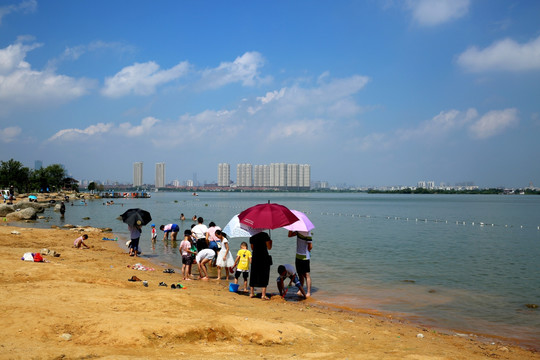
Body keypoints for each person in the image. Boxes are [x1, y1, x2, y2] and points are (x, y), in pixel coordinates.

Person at [288, 230, 313, 297]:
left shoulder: (308, 233)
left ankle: (308, 292)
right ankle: (300, 290)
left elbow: (310, 246)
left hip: (305, 257)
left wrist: (307, 251)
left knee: (306, 275)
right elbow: (290, 235)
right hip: (298, 256)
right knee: (300, 275)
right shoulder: (297, 231)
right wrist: (290, 229)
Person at [249, 231, 273, 300]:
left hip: (255, 257)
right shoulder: (265, 235)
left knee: (253, 274)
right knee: (264, 274)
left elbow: (252, 248)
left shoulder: (252, 236)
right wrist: (271, 242)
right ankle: (263, 295)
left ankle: (252, 293)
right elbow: (269, 247)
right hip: (264, 257)